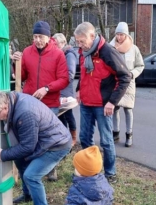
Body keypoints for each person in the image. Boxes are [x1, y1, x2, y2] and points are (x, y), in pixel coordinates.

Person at [0, 90, 72, 205]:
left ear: (5, 107)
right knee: (19, 161)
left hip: (56, 145)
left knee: (31, 176)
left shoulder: (25, 113)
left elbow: (28, 147)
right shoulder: (11, 100)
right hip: (43, 141)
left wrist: (4, 154)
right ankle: (28, 195)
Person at [73, 22, 131, 184]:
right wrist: (79, 90)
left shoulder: (107, 52)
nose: (80, 44)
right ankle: (89, 169)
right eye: (77, 41)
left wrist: (112, 102)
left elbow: (125, 77)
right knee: (85, 138)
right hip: (86, 103)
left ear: (92, 36)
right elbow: (84, 74)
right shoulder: (84, 52)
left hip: (103, 105)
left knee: (106, 141)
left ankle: (110, 173)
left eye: (82, 41)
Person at [12, 21, 69, 181]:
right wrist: (16, 62)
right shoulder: (27, 52)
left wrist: (47, 88)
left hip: (49, 104)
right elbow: (21, 76)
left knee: (50, 138)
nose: (37, 40)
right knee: (30, 138)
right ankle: (31, 170)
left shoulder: (58, 54)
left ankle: (51, 169)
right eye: (35, 36)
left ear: (48, 37)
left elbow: (64, 79)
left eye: (41, 37)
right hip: (29, 104)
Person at [109, 22, 145, 147]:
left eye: (122, 34)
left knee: (128, 109)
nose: (119, 37)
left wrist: (132, 74)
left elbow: (140, 65)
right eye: (117, 34)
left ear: (126, 34)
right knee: (115, 108)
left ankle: (129, 135)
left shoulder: (134, 49)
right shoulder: (110, 47)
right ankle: (115, 133)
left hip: (129, 83)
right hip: (115, 82)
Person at [53, 32, 78, 146]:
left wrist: (58, 80)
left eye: (56, 44)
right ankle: (65, 138)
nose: (54, 46)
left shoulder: (69, 54)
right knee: (60, 115)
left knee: (68, 114)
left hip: (65, 90)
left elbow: (70, 74)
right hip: (58, 89)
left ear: (63, 43)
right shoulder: (57, 54)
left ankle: (73, 138)